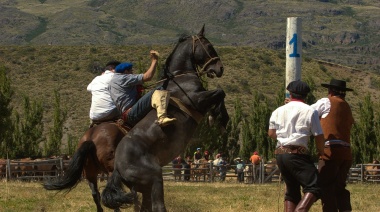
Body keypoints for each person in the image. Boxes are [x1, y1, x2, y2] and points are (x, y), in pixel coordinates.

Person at [268, 80, 325, 212]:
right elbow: (318, 135)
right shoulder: (310, 111)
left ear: (290, 94)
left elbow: (271, 133)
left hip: (281, 154)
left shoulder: (278, 110)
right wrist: (321, 151)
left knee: (292, 190)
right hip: (297, 154)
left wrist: (285, 139)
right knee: (315, 186)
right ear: (306, 96)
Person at [311, 79, 354, 212]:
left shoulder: (326, 102)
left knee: (325, 186)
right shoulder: (346, 106)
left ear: (330, 91)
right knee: (339, 187)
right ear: (344, 93)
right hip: (346, 154)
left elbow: (307, 113)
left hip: (330, 152)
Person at [108, 50, 176, 127]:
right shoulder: (123, 78)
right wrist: (154, 61)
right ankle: (162, 118)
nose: (132, 73)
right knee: (159, 89)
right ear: (126, 71)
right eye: (131, 71)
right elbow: (148, 76)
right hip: (132, 113)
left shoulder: (112, 82)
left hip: (125, 115)